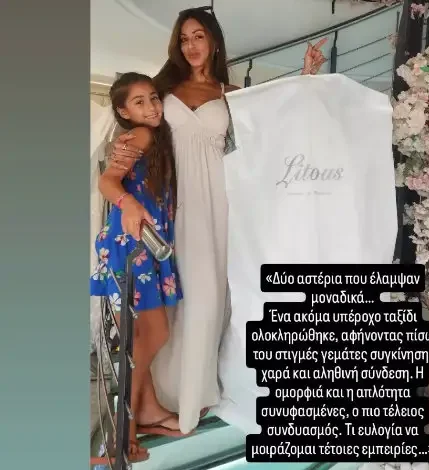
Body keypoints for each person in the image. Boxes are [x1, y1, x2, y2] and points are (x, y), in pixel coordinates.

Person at [108, 8, 327, 434]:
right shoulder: (162, 89)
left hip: (218, 201)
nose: (191, 45)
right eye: (184, 38)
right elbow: (137, 121)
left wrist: (306, 75)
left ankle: (193, 394)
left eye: (198, 36)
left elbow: (274, 115)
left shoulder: (231, 92)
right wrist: (122, 152)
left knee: (210, 299)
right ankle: (157, 402)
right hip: (172, 204)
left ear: (213, 41)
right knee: (176, 304)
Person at [90, 72, 184, 463]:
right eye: (140, 102)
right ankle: (121, 429)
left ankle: (144, 409)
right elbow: (108, 182)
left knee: (144, 337)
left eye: (154, 98)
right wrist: (128, 203)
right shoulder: (140, 136)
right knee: (150, 335)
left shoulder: (153, 138)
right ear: (123, 111)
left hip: (142, 245)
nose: (152, 107)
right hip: (131, 245)